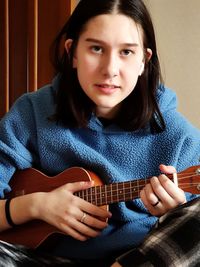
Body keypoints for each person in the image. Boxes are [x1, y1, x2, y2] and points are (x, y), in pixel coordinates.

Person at [0, 0, 199, 266]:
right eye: (96, 48)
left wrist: (172, 215)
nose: (109, 70)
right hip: (39, 259)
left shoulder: (180, 136)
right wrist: (37, 206)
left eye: (126, 52)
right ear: (72, 52)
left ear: (144, 61)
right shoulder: (32, 111)